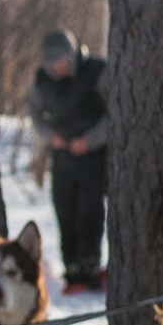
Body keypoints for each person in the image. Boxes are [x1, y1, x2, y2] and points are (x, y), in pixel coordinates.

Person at [27, 30, 109, 292]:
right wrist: (51, 137)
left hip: (95, 158)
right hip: (62, 158)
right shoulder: (43, 81)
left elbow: (116, 111)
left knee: (90, 213)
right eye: (51, 62)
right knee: (65, 212)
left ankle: (90, 271)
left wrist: (91, 140)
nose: (57, 66)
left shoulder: (96, 71)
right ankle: (72, 272)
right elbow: (36, 114)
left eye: (61, 59)